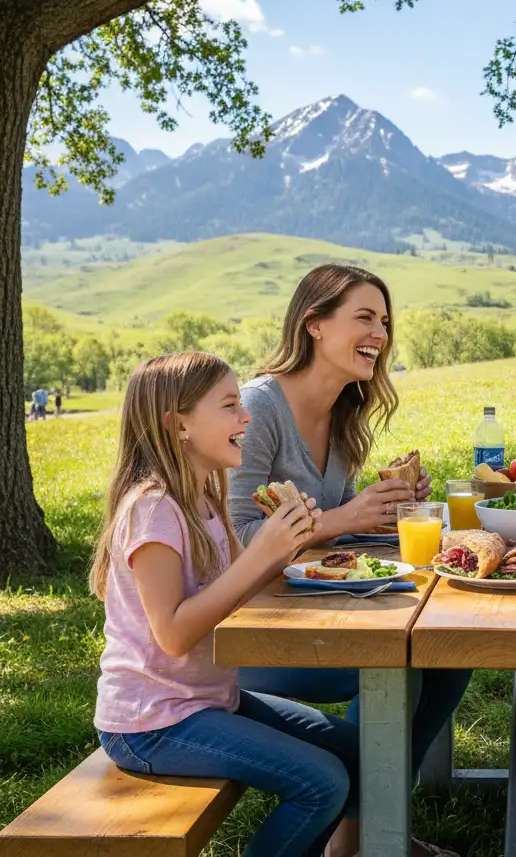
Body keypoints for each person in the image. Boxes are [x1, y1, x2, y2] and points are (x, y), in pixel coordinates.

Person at [229, 264, 469, 857]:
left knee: (451, 653)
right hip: (243, 635)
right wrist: (347, 517)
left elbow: (332, 543)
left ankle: (365, 832)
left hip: (311, 610)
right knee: (393, 665)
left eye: (384, 322)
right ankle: (371, 836)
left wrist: (389, 511)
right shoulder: (259, 409)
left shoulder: (344, 413)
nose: (380, 334)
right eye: (364, 318)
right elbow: (235, 537)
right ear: (313, 324)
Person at [90, 352, 361, 857]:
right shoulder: (153, 511)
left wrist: (289, 546)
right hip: (152, 724)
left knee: (361, 753)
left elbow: (244, 593)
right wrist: (261, 551)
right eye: (230, 405)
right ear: (179, 426)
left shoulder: (204, 499)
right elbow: (172, 634)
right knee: (322, 783)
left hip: (209, 701)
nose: (247, 416)